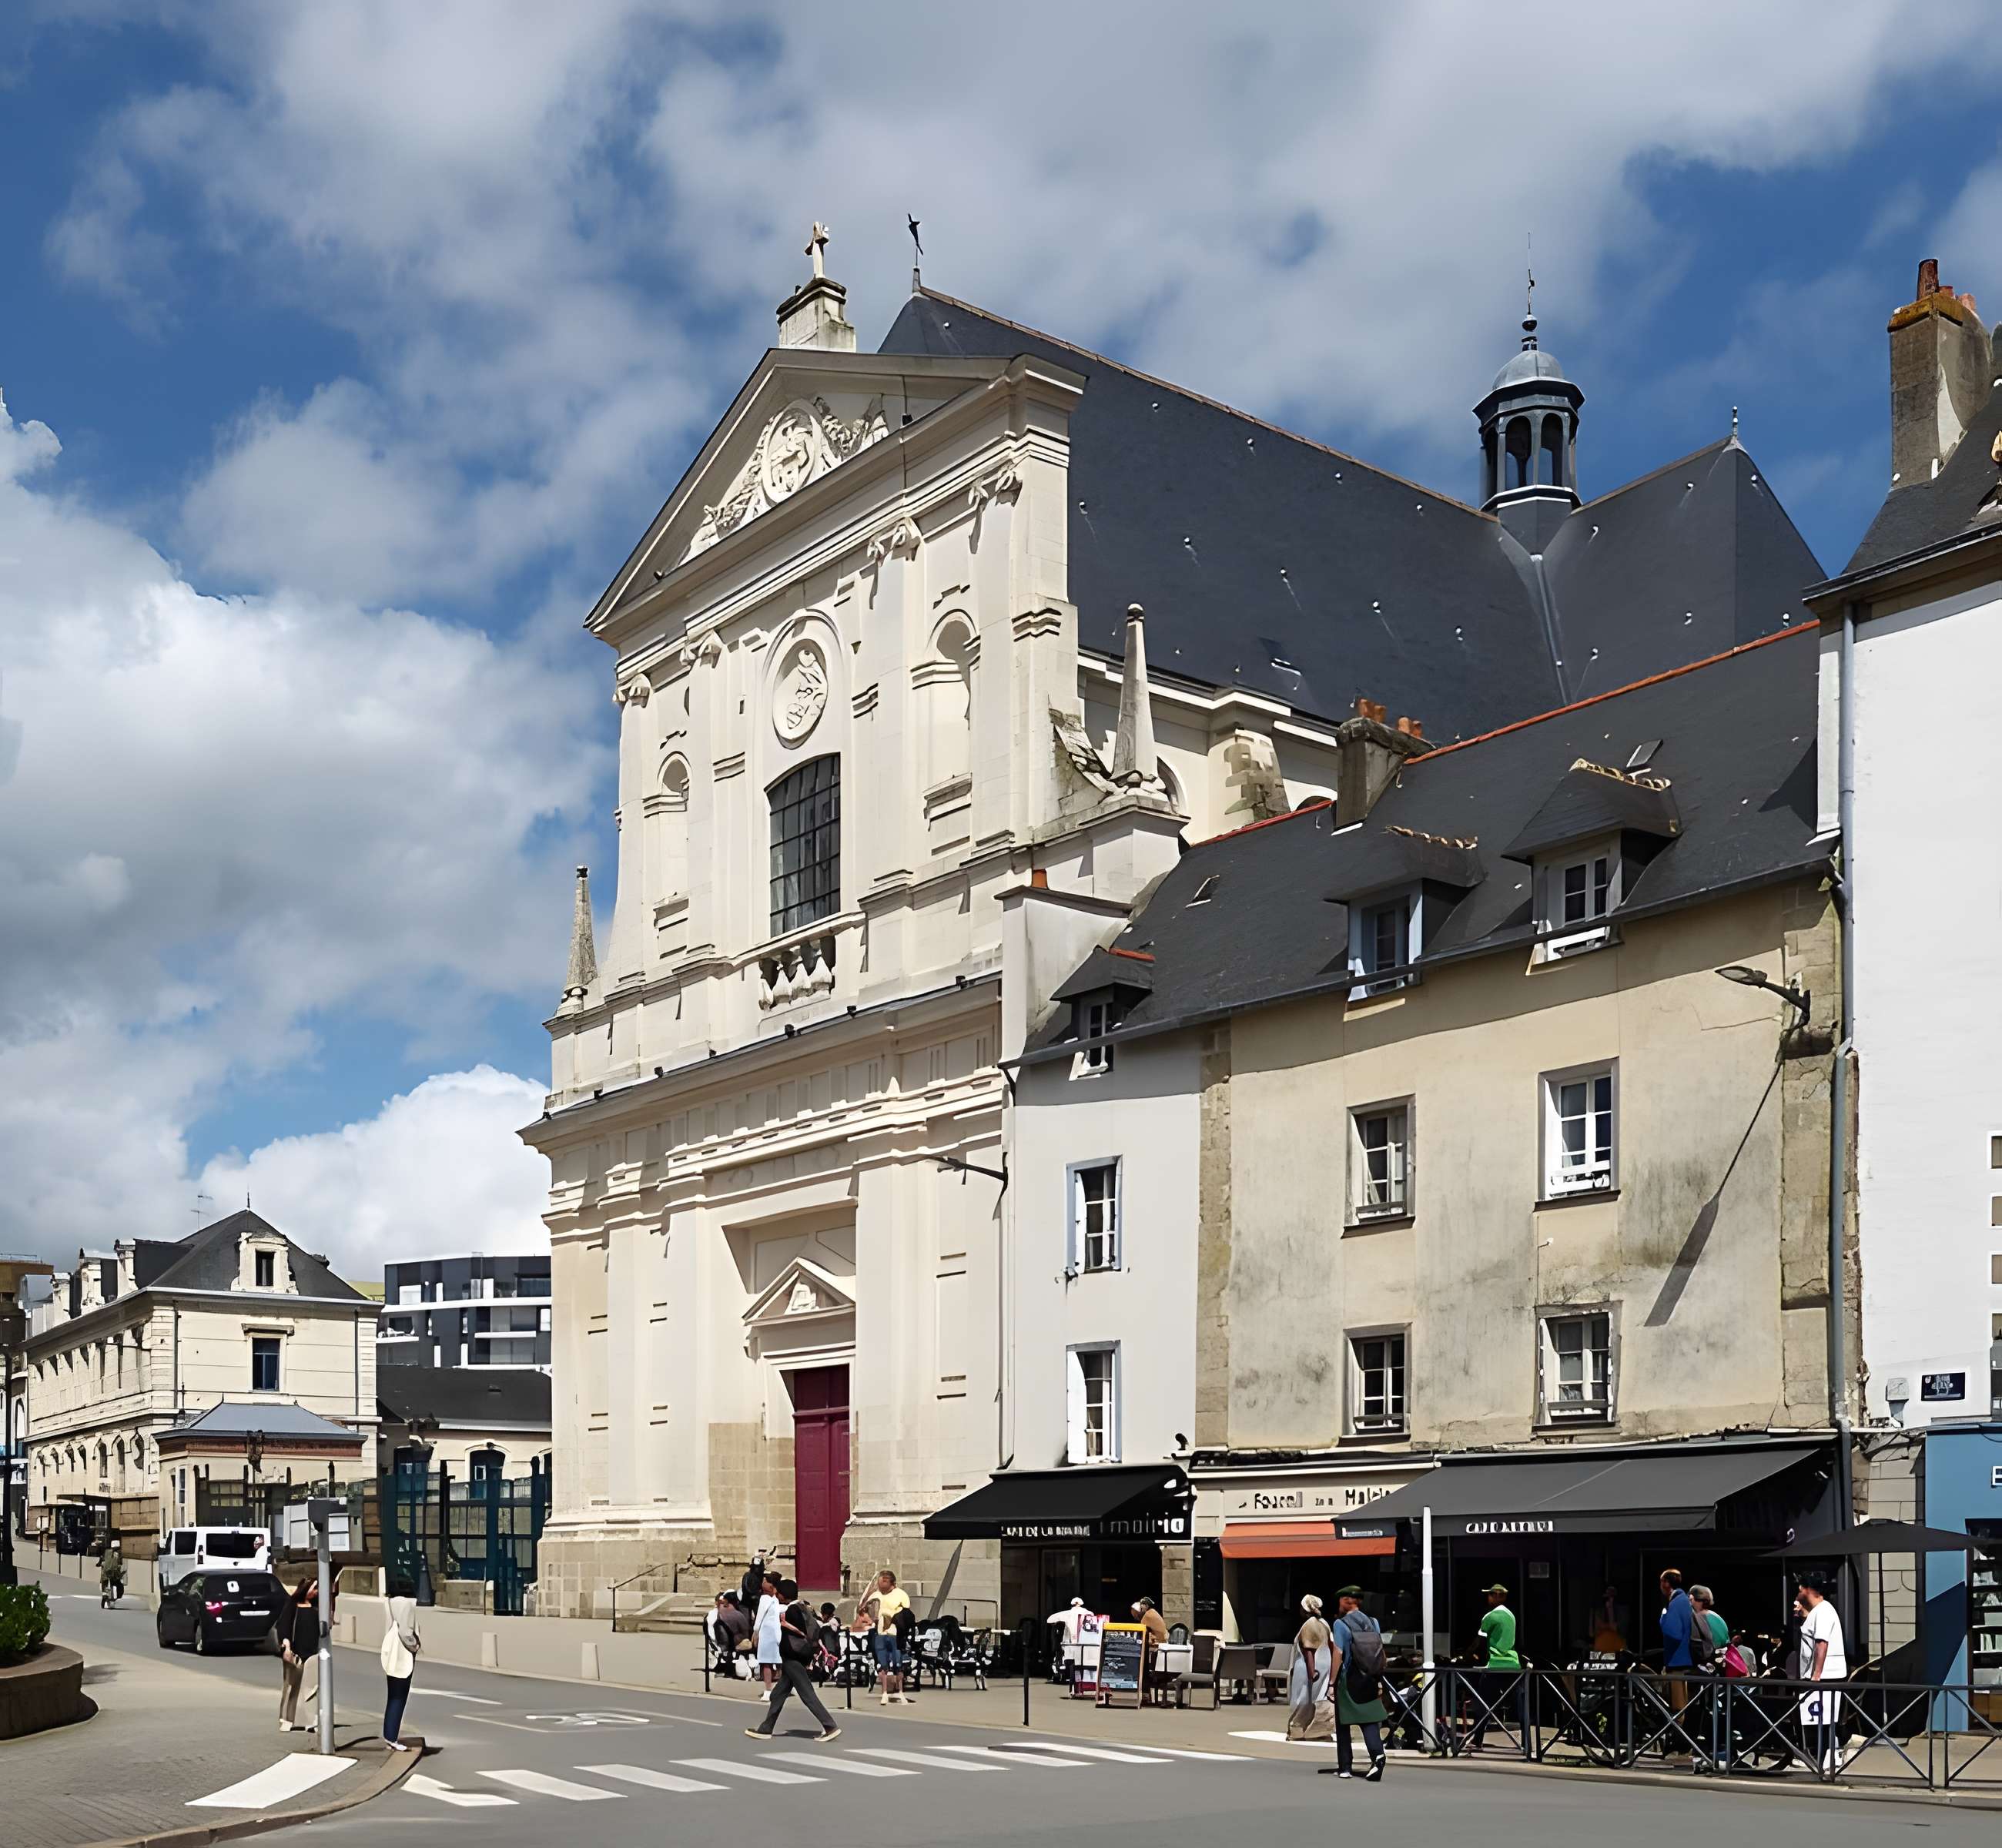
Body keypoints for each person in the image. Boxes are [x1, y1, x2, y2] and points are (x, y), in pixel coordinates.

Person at [745, 1577, 842, 1743]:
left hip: (793, 1657)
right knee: (778, 1694)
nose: (776, 1596)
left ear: (783, 1596)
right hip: (796, 1656)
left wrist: (783, 1625)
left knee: (807, 1694)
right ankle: (766, 1728)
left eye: (778, 1593)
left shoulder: (792, 1611)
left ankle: (830, 1726)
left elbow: (798, 1632)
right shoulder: (802, 1607)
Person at [1329, 1586, 1390, 1781]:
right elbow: (1380, 1650)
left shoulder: (1340, 1624)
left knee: (1343, 1724)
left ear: (1345, 1601)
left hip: (1348, 1679)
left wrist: (1331, 1682)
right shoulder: (1373, 1622)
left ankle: (1345, 1767)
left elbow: (1338, 1653)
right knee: (1370, 1720)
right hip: (1370, 1677)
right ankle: (1377, 1755)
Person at [1796, 1574, 1847, 1773]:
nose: (1798, 1593)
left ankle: (1828, 1756)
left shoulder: (1824, 1611)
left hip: (1826, 1676)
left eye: (1800, 1589)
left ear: (1807, 1590)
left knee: (1823, 1720)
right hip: (1823, 1675)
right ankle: (1822, 1756)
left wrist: (1816, 1675)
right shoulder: (1818, 1612)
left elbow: (1821, 1643)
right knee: (1820, 1720)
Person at [1468, 1584, 1522, 1752]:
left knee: (1483, 1703)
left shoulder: (1490, 1616)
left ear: (1498, 1596)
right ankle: (1527, 1744)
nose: (1489, 1598)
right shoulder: (1511, 1616)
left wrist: (1466, 1655)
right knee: (1520, 1704)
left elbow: (1479, 1643)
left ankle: (1477, 1741)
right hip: (1513, 1665)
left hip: (1495, 1665)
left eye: (1491, 1595)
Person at [380, 1579, 421, 1752]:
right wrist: (415, 1645)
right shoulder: (407, 1604)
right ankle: (392, 1737)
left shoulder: (389, 1602)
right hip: (402, 1654)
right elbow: (406, 1632)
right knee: (399, 1697)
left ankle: (389, 1735)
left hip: (391, 1653)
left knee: (392, 1696)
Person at [1287, 1594, 1334, 1742]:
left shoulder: (1310, 1625)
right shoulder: (1324, 1623)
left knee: (1303, 1699)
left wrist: (1311, 1673)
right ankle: (1317, 1731)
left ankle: (1298, 1730)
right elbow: (1332, 1646)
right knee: (1319, 1698)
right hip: (1324, 1665)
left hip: (1310, 1667)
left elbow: (1309, 1651)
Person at [279, 1577, 320, 1732]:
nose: (316, 1592)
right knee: (292, 1687)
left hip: (313, 1653)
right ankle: (287, 1719)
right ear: (306, 1588)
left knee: (312, 1689)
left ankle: (311, 1721)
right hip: (295, 1652)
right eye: (314, 1588)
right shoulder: (292, 1604)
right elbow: (284, 1625)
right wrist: (286, 1645)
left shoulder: (317, 1607)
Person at [865, 1569, 912, 1705]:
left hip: (895, 1633)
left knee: (898, 1664)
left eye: (884, 1582)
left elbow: (906, 1613)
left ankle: (900, 1691)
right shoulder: (876, 1595)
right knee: (883, 1665)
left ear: (891, 1583)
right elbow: (867, 1607)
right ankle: (885, 1693)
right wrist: (873, 1618)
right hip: (881, 1633)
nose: (881, 1585)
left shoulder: (901, 1595)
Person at [1659, 1568, 1696, 1728]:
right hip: (1680, 1660)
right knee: (1679, 1705)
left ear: (1666, 1583)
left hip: (1676, 1660)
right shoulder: (1683, 1600)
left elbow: (1672, 1631)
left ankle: (1678, 1737)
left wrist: (1664, 1616)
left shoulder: (1677, 1602)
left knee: (1677, 1707)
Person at [754, 1568, 785, 1689]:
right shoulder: (775, 1600)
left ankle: (768, 1688)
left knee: (766, 1663)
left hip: (767, 1634)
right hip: (776, 1633)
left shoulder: (765, 1599)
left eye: (764, 1581)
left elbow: (759, 1618)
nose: (762, 1584)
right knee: (777, 1661)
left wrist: (755, 1632)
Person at [98, 1538, 125, 1602]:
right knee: (119, 1583)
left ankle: (104, 1594)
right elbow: (121, 1562)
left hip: (108, 1571)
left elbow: (102, 1559)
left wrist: (99, 1563)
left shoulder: (107, 1552)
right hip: (115, 1573)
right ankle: (115, 1595)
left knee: (104, 1581)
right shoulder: (119, 1553)